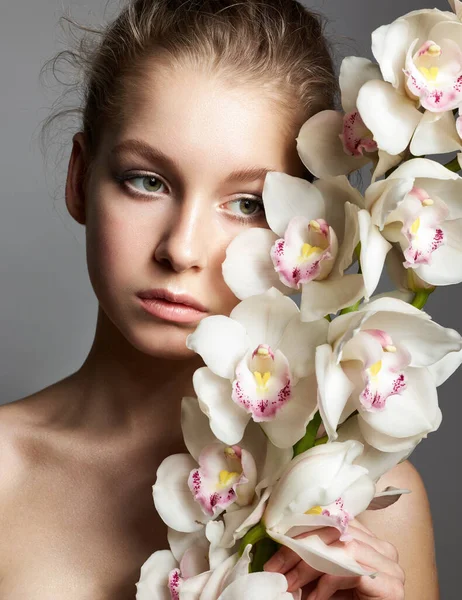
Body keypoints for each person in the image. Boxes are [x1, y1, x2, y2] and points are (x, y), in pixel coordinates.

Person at [0, 0, 438, 598]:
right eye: (147, 181)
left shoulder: (363, 506)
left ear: (308, 225)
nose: (181, 249)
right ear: (80, 179)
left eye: (247, 204)